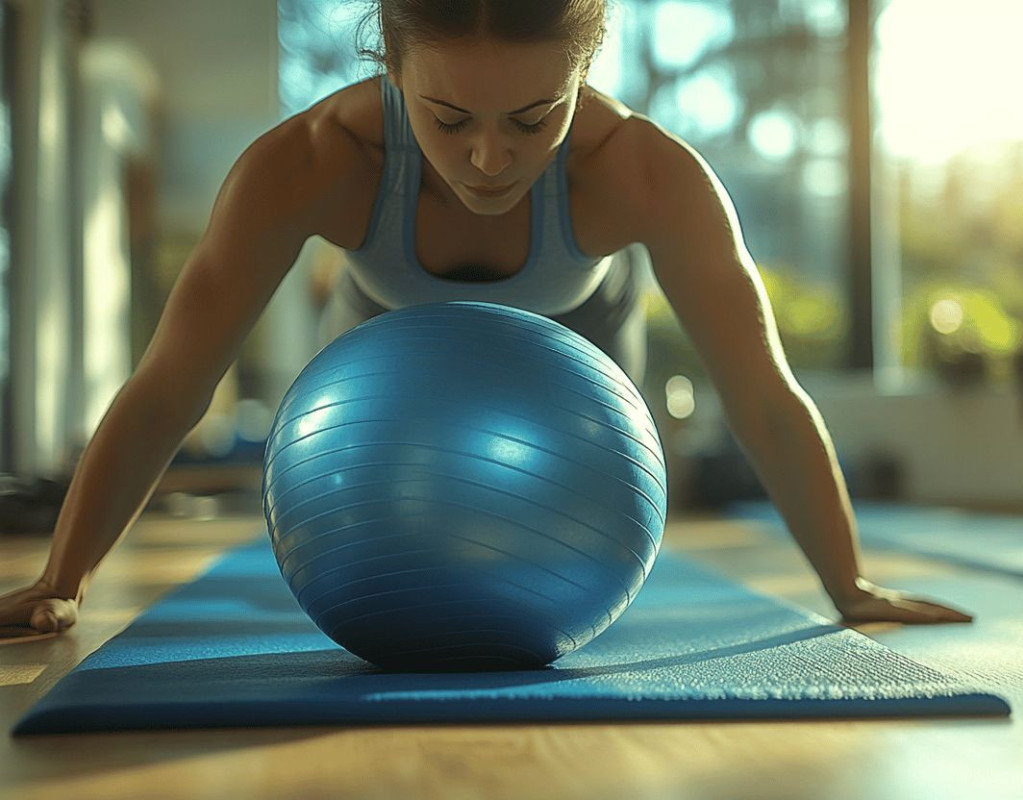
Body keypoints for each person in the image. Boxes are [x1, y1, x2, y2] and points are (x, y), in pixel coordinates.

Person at [0, 0, 971, 637]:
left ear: (586, 66)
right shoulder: (309, 164)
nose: (489, 160)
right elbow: (169, 387)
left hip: (582, 359)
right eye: (449, 118)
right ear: (390, 57)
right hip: (381, 367)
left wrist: (848, 586)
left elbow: (762, 397)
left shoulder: (646, 175)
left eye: (534, 117)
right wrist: (64, 577)